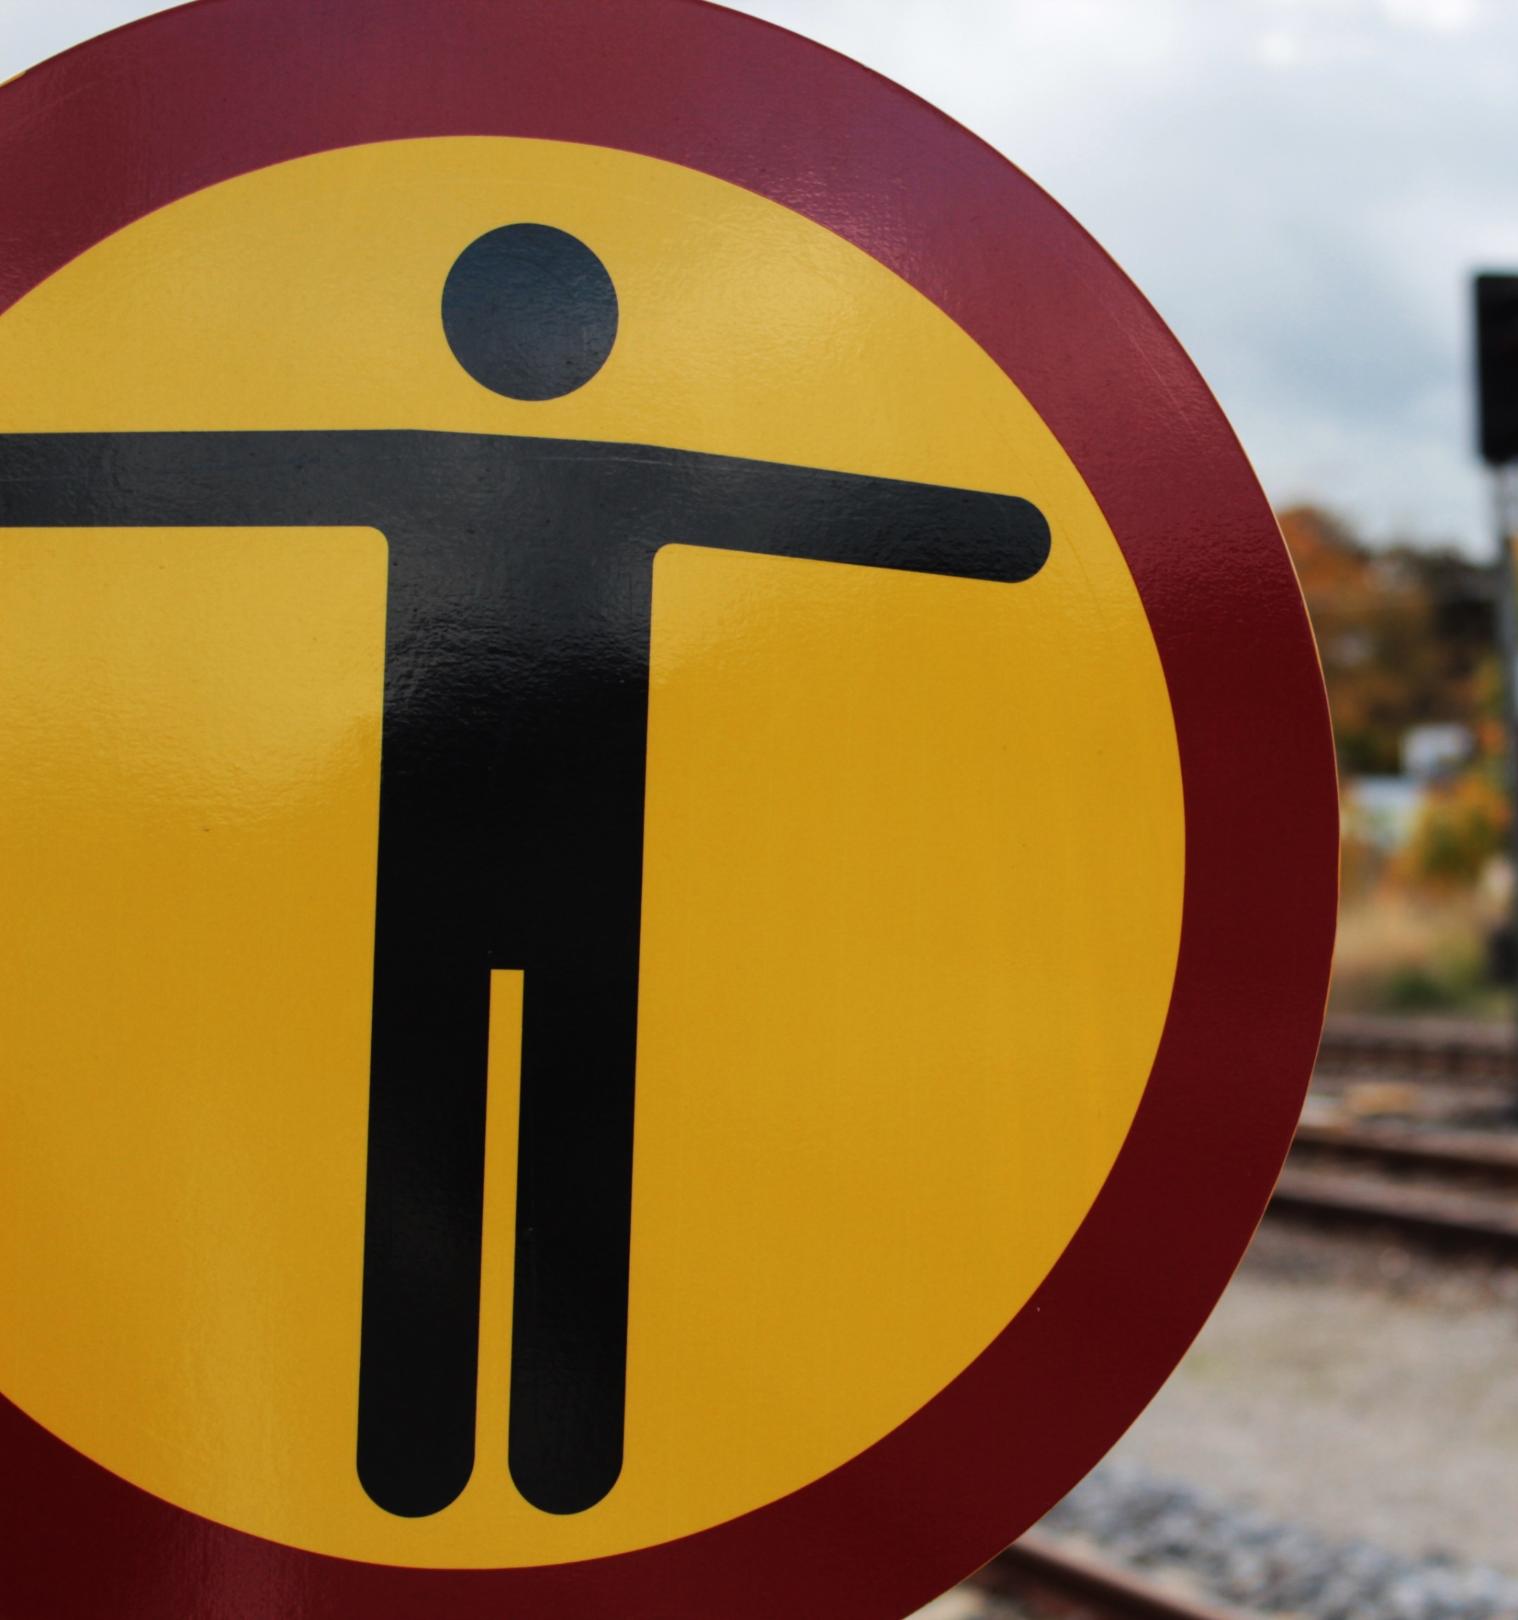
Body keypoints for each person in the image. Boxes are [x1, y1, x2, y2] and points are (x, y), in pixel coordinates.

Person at [0, 224, 1051, 1518]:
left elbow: (168, 474)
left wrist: (1010, 537)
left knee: (441, 1145)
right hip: (577, 876)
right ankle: (554, 1463)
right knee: (556, 1147)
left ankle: (421, 1453)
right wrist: (1017, 535)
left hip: (447, 870)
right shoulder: (649, 478)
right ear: (591, 341)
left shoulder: (408, 464)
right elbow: (892, 521)